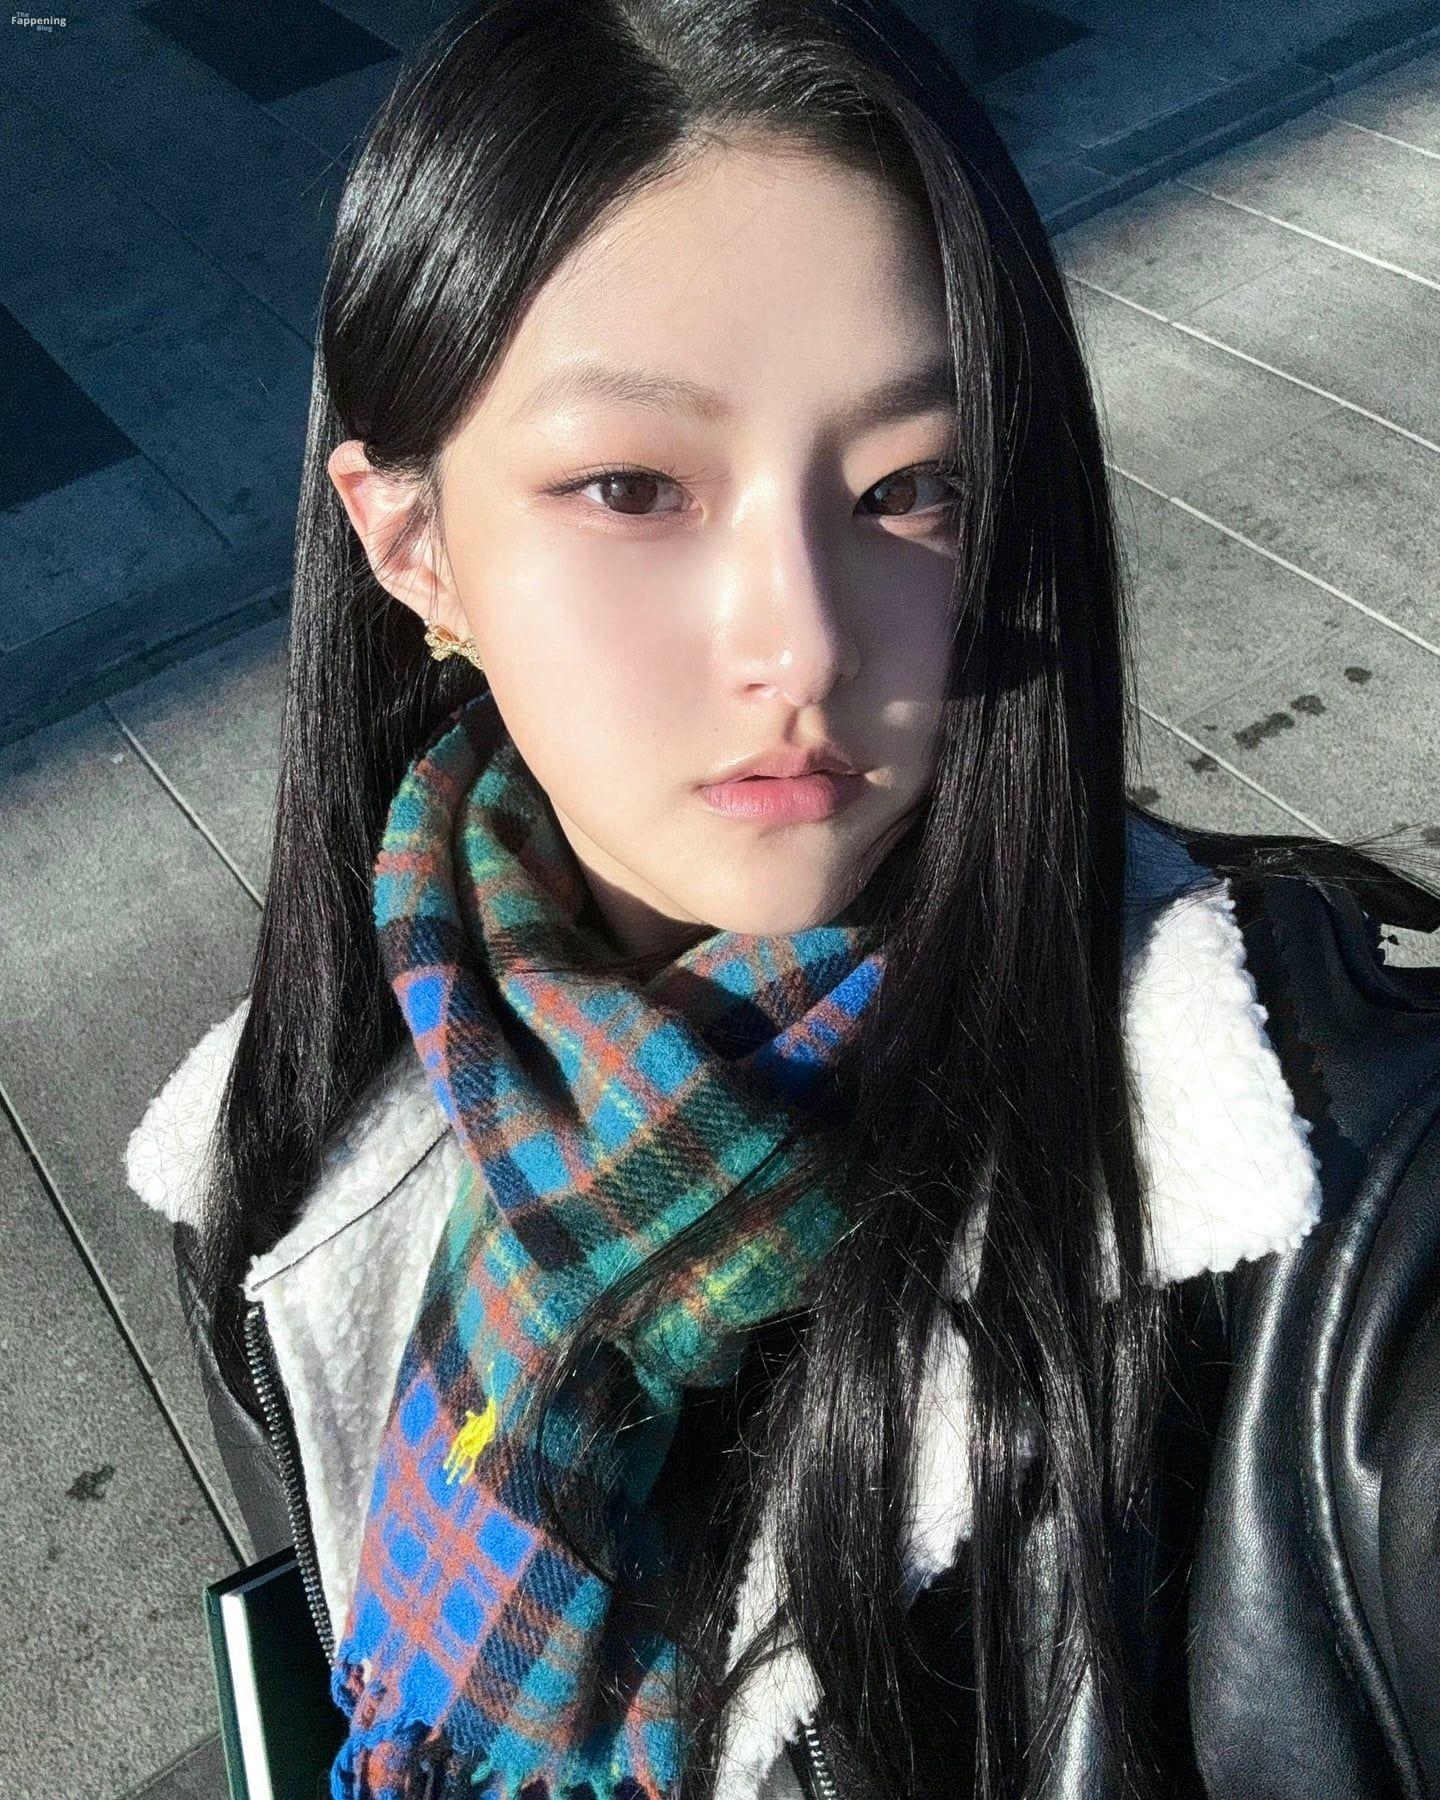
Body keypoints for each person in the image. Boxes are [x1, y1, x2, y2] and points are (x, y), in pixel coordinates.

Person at [122, 0, 1440, 1795]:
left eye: (910, 490)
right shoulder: (278, 1152)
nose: (804, 643)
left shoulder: (1334, 1246)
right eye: (633, 488)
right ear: (412, 543)